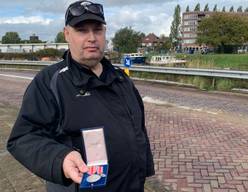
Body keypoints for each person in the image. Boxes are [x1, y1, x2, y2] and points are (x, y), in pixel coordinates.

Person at [7, 0, 155, 191]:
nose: (92, 37)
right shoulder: (49, 82)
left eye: (98, 30)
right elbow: (23, 138)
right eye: (82, 30)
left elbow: (138, 133)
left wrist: (142, 170)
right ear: (67, 34)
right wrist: (60, 158)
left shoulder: (121, 80)